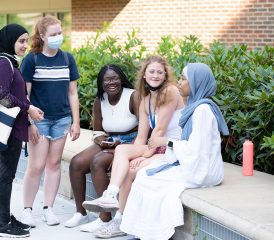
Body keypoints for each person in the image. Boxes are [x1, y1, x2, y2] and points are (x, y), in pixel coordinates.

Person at [120, 63, 229, 240]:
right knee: (144, 175)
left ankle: (154, 234)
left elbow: (197, 151)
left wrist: (167, 142)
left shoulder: (202, 110)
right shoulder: (196, 107)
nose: (179, 82)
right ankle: (146, 232)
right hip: (194, 164)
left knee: (147, 178)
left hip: (204, 171)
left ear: (196, 83)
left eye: (184, 79)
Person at [82, 55, 185, 238]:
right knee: (122, 150)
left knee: (130, 171)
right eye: (151, 71)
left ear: (165, 75)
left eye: (160, 72)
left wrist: (144, 157)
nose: (155, 75)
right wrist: (137, 155)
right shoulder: (145, 100)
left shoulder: (170, 91)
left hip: (171, 148)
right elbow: (141, 136)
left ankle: (121, 220)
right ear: (144, 75)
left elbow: (160, 129)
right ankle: (110, 195)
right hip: (155, 146)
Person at [20, 15, 80, 227]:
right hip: (40, 120)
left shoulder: (67, 59)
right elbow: (24, 96)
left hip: (62, 119)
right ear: (43, 37)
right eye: (53, 34)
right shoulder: (31, 59)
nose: (58, 37)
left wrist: (76, 122)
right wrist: (30, 122)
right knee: (36, 166)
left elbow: (72, 93)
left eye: (60, 33)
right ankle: (27, 210)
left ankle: (49, 209)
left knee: (54, 164)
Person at [64, 64, 139, 232]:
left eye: (115, 78)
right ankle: (81, 213)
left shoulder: (133, 96)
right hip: (108, 140)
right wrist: (102, 142)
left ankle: (104, 219)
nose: (111, 82)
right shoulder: (100, 100)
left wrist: (127, 148)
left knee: (97, 162)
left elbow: (145, 129)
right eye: (107, 79)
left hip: (130, 143)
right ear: (101, 82)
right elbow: (97, 130)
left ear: (121, 79)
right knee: (76, 163)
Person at [0, 24, 44, 238]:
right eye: (21, 41)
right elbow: (2, 97)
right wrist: (28, 108)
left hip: (14, 127)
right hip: (8, 130)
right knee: (5, 176)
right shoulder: (4, 63)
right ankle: (3, 224)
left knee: (7, 175)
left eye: (26, 40)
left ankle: (4, 217)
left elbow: (17, 94)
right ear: (10, 41)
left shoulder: (10, 62)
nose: (25, 45)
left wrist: (30, 119)